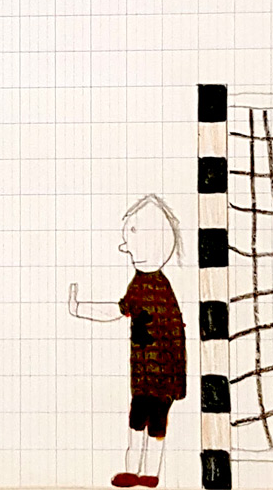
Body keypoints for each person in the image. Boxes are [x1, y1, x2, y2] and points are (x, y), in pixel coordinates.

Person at [68, 194, 186, 489]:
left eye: (130, 239)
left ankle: (148, 473)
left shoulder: (151, 286)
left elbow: (121, 312)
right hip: (146, 375)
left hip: (159, 377)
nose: (125, 247)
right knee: (140, 419)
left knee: (152, 423)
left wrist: (80, 309)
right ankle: (136, 471)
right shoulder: (145, 284)